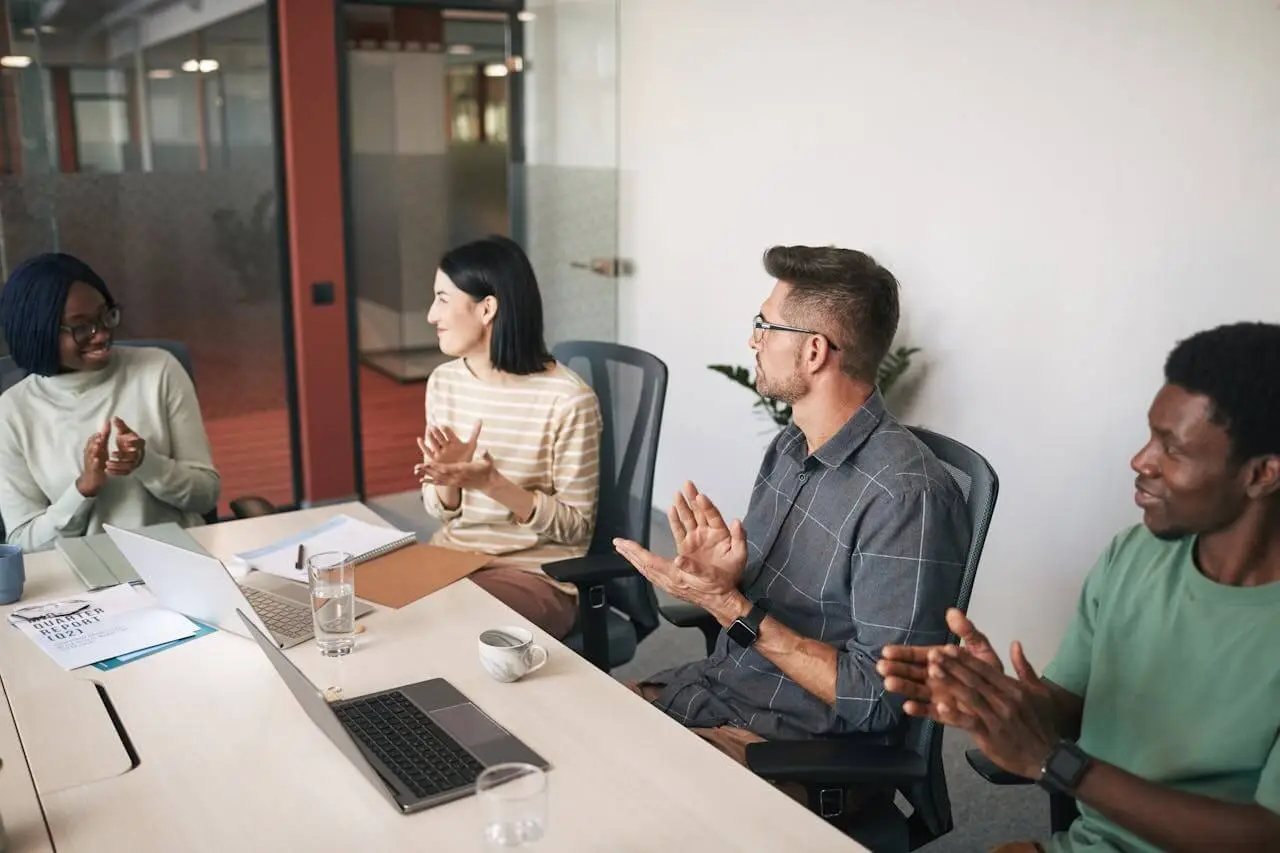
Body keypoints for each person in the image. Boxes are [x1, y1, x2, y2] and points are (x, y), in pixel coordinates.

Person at [878, 322, 1280, 853]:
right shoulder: (1134, 556)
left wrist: (1057, 764)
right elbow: (1068, 706)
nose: (1141, 462)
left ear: (1262, 474)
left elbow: (1266, 834)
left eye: (1172, 449)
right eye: (1150, 435)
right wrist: (1003, 703)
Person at [612, 244, 971, 762]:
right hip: (714, 694)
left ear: (814, 351)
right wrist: (723, 581)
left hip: (790, 743)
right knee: (563, 737)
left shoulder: (905, 498)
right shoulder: (789, 446)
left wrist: (729, 606)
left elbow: (878, 699)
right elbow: (760, 614)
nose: (752, 340)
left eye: (765, 325)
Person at [415, 235, 601, 640]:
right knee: (367, 608)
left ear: (487, 308)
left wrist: (491, 484)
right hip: (450, 560)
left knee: (440, 628)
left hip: (534, 576)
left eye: (443, 299)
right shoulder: (444, 383)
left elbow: (576, 528)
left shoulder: (568, 399)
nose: (432, 314)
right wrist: (448, 483)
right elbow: (439, 511)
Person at [0, 252, 221, 552]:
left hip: (178, 559)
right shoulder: (12, 412)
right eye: (81, 327)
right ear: (38, 332)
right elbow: (22, 542)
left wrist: (148, 465)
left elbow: (206, 495)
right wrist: (82, 490)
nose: (102, 334)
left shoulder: (159, 370)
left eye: (106, 315)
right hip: (74, 581)